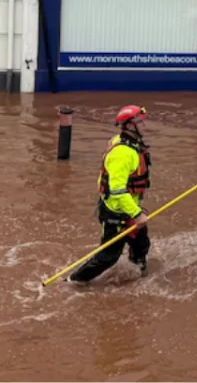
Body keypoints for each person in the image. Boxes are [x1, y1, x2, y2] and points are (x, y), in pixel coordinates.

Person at [69, 105, 153, 283]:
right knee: (108, 257)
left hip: (129, 208)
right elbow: (117, 191)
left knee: (141, 245)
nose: (145, 126)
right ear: (130, 126)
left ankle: (137, 275)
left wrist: (135, 211)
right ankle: (75, 281)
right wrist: (137, 214)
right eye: (140, 123)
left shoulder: (127, 142)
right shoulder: (123, 153)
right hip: (116, 212)